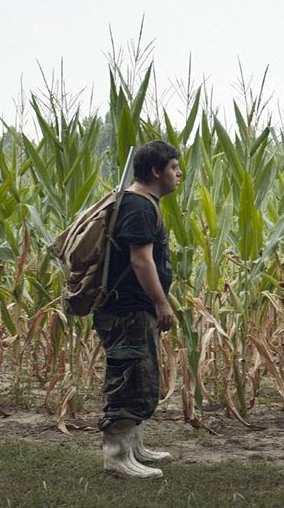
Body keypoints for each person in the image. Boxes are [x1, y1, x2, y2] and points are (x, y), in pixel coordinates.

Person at [94, 140, 182, 479]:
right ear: (156, 171)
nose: (178, 174)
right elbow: (140, 260)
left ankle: (134, 447)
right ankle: (116, 456)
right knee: (129, 378)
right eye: (174, 167)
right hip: (127, 309)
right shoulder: (139, 207)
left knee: (141, 376)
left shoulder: (142, 204)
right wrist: (162, 303)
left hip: (132, 310)